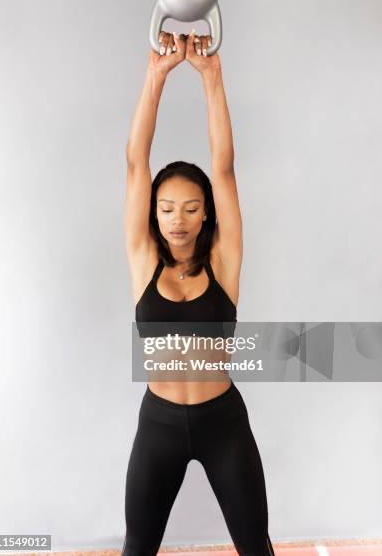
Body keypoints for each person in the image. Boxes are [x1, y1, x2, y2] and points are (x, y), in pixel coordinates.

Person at [123, 29, 275, 556]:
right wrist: (155, 75)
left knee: (256, 546)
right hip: (159, 423)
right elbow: (136, 164)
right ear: (154, 214)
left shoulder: (224, 262)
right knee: (138, 547)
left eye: (190, 207)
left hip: (222, 422)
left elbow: (225, 170)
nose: (177, 219)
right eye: (166, 208)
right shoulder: (143, 261)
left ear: (206, 211)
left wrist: (212, 77)